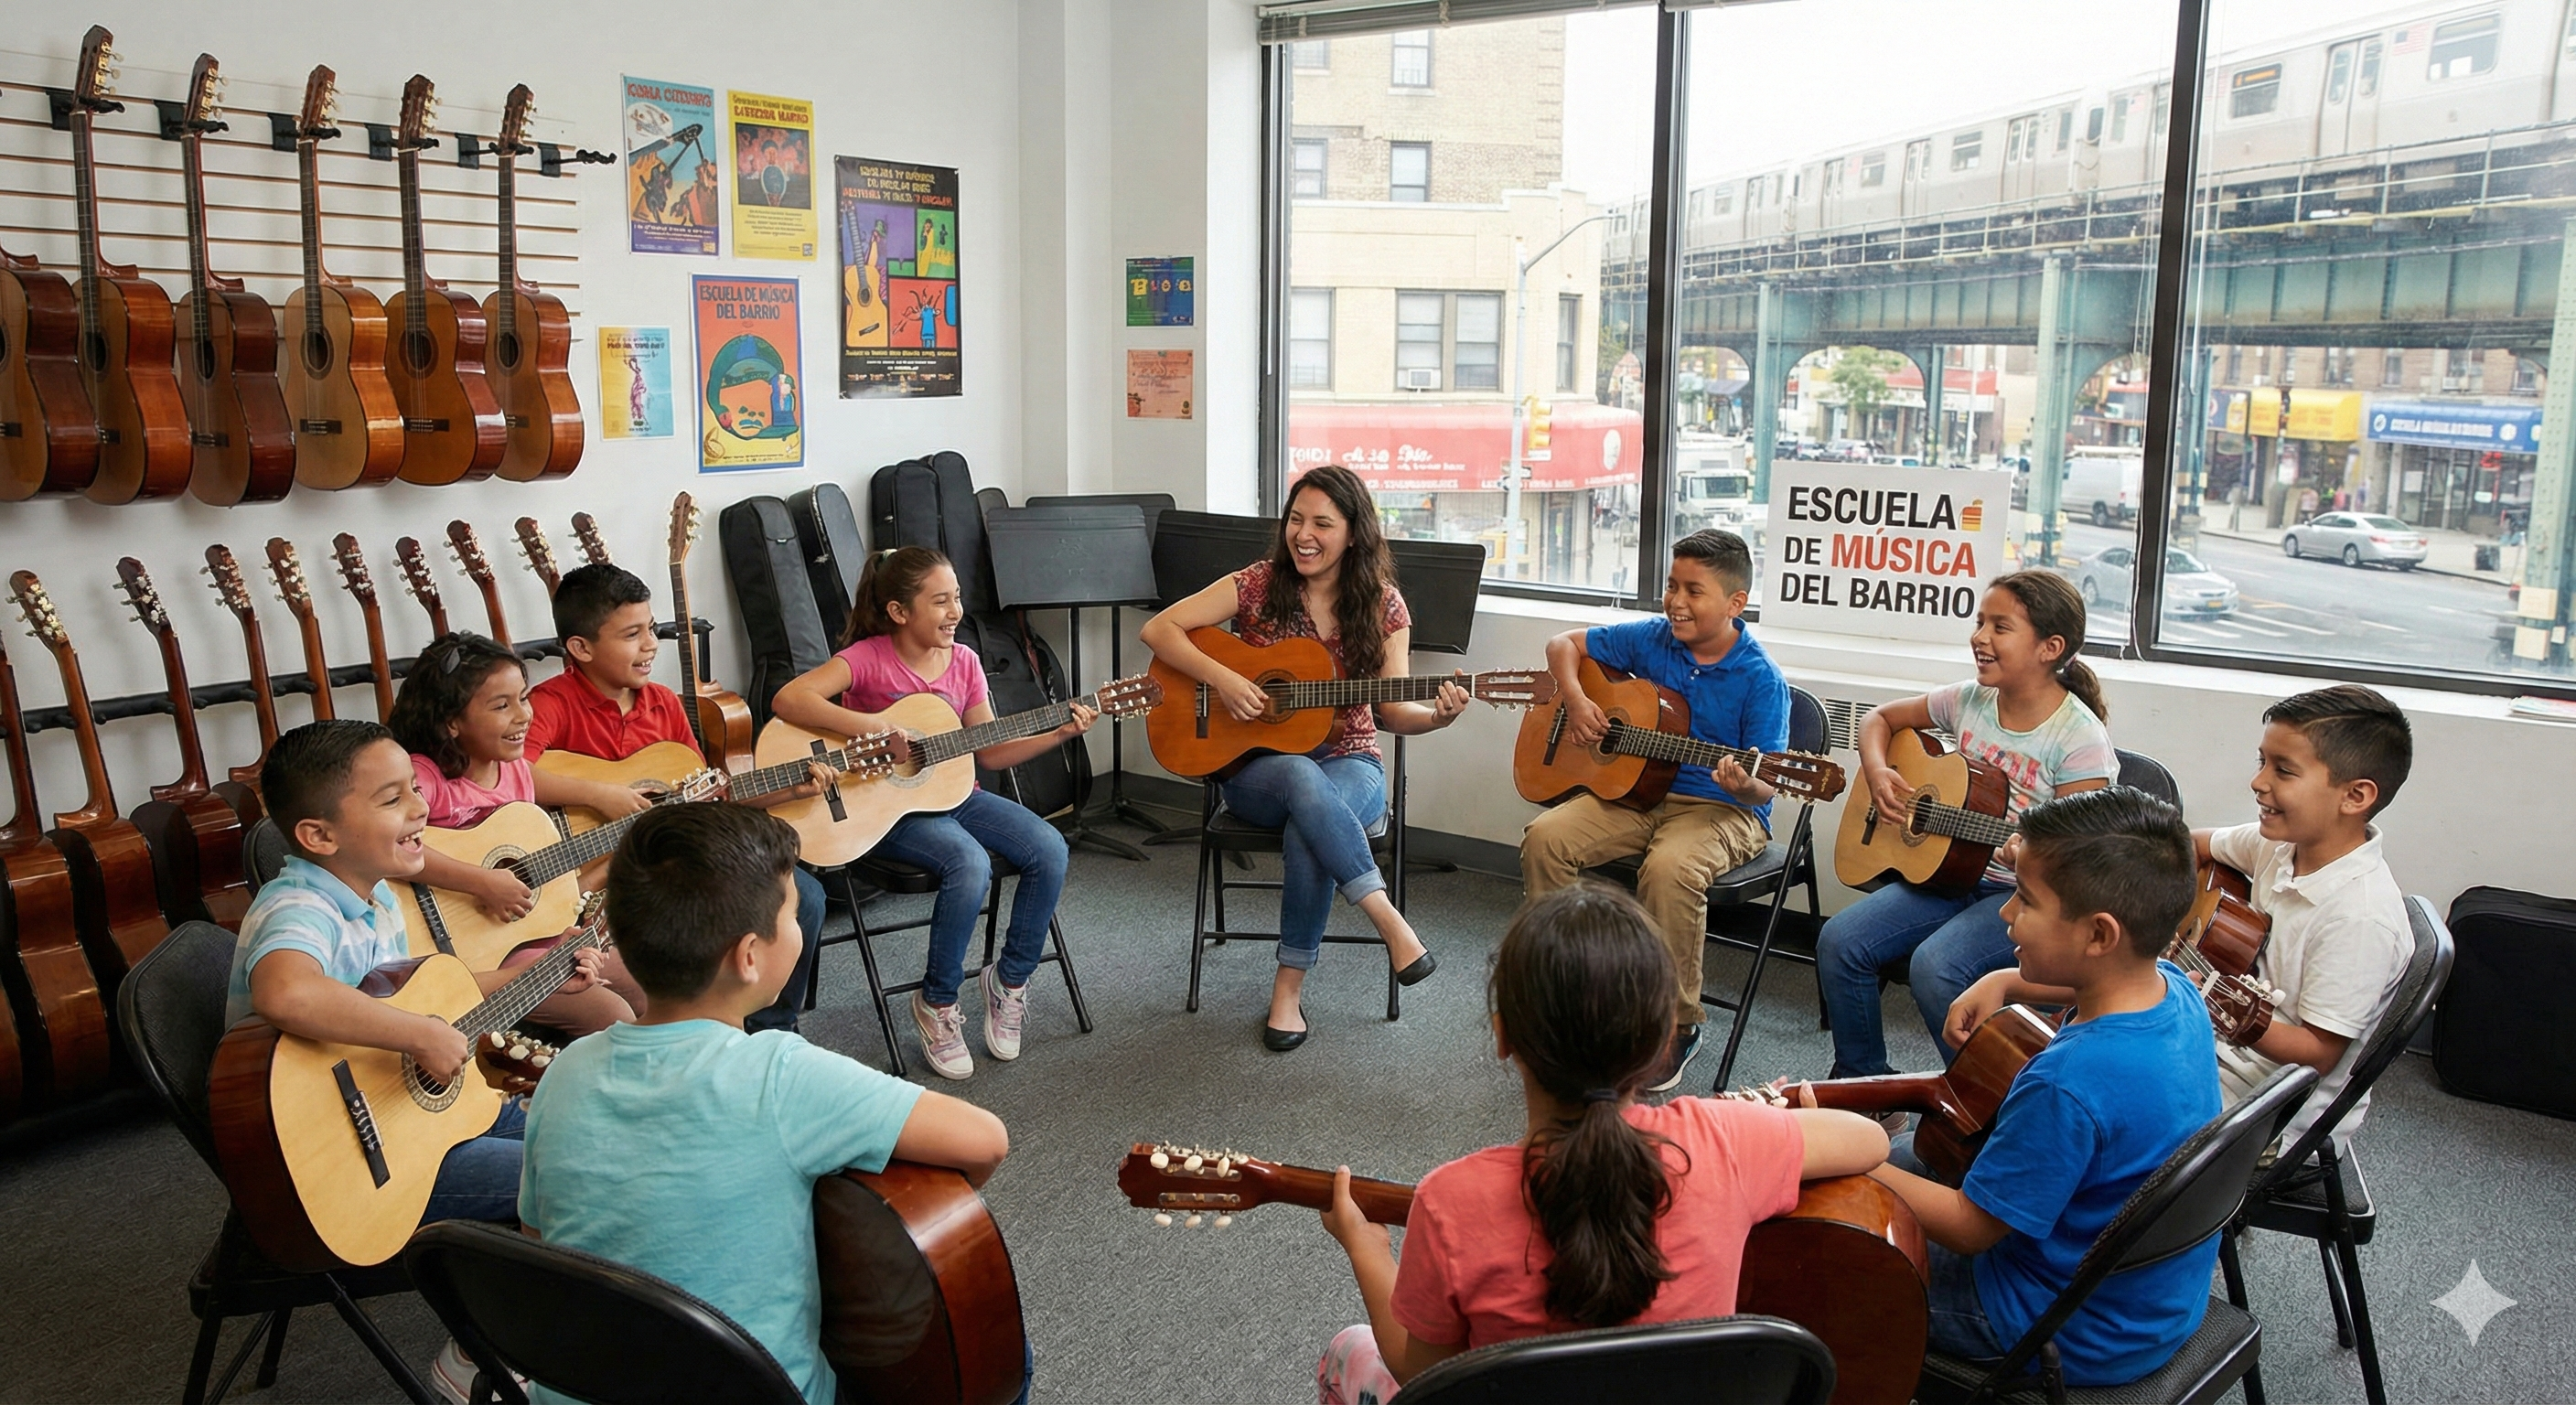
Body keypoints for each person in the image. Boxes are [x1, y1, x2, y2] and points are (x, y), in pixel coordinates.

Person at [1314, 885, 1889, 1403]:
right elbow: (1868, 1141)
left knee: (1348, 1350)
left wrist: (1365, 1247)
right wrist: (1741, 1117)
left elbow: (1423, 1375)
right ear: (1665, 1041)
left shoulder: (1450, 1202)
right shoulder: (1722, 1141)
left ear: (1503, 1037)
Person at [519, 802, 1014, 1405]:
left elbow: (542, 1241)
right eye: (792, 911)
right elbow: (985, 1141)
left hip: (578, 1388)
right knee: (991, 1356)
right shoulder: (780, 1073)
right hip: (760, 1391)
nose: (800, 925)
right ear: (749, 956)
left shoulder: (564, 1073)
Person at [224, 719, 604, 1402]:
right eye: (392, 798)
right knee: (574, 1170)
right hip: (353, 1164)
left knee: (588, 1121)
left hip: (412, 1120)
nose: (421, 808)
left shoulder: (375, 897)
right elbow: (285, 989)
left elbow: (436, 996)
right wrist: (416, 1038)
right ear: (319, 837)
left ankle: (551, 1313)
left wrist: (543, 968)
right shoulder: (301, 905)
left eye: (413, 791)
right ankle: (478, 1352)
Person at [1876, 788, 2219, 1388]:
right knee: (1910, 1159)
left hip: (2052, 1326)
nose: (2006, 913)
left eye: (2025, 900)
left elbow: (1969, 1227)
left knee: (1819, 1256)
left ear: (2099, 934)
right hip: (2149, 1305)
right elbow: (2124, 978)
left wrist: (1846, 1157)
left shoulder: (2071, 1081)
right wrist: (2010, 979)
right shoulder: (2176, 988)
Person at [1139, 465, 1467, 1050]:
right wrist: (1228, 682)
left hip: (1352, 762)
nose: (1304, 535)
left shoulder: (1384, 608)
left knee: (1312, 816)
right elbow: (1162, 631)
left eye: (1322, 523)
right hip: (1256, 770)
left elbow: (1392, 715)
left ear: (1353, 533)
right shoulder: (1259, 583)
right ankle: (1389, 920)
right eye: (1296, 520)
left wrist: (1436, 717)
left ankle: (1286, 991)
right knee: (1298, 774)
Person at [769, 547, 1094, 1079]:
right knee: (969, 864)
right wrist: (874, 731)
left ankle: (1008, 981)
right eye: (940, 601)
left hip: (956, 796)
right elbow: (790, 698)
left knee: (1049, 848)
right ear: (900, 612)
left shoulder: (964, 661)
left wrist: (1057, 732)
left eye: (958, 598)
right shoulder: (867, 658)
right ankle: (937, 1002)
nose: (955, 611)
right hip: (884, 810)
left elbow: (986, 751)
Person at [1815, 572, 2116, 1085]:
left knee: (1936, 968)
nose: (1980, 637)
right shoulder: (1969, 700)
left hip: (2023, 897)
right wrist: (1878, 770)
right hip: (1949, 875)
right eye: (1980, 623)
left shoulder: (2079, 738)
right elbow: (1879, 720)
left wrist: (2029, 854)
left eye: (2000, 627)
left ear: (2051, 647)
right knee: (1840, 941)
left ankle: (1982, 1100)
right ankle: (1863, 1082)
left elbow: (2079, 854)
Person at [1520, 529, 1787, 1092]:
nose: (1676, 601)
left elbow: (1768, 791)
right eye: (1672, 586)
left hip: (1721, 810)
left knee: (1669, 870)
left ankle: (1676, 1021)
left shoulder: (1762, 681)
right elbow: (1561, 645)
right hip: (1637, 792)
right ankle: (1561, 993)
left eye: (1695, 590)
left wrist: (1747, 784)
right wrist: (1576, 697)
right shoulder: (1652, 638)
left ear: (1736, 603)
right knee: (1546, 838)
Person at [524, 563, 833, 1034]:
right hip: (592, 878)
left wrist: (787, 790)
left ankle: (769, 1032)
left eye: (651, 629)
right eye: (631, 634)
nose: (650, 644)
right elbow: (512, 775)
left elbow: (700, 798)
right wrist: (599, 794)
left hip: (672, 863)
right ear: (581, 648)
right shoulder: (550, 704)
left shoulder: (663, 703)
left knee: (803, 897)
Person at [389, 632, 649, 1035]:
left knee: (652, 982)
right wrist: (481, 881)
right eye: (501, 706)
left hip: (533, 939)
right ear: (452, 722)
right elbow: (388, 846)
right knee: (610, 1015)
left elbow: (547, 892)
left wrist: (608, 812)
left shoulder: (513, 770)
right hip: (472, 960)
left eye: (523, 698)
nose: (523, 714)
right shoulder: (423, 777)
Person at [2199, 686, 2412, 1155]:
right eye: (2261, 762)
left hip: (2270, 1113)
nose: (2258, 782)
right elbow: (2193, 844)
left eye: (2283, 770)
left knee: (2099, 1098)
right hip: (2218, 1053)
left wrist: (2212, 1000)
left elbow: (2318, 1052)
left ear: (2354, 796)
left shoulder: (2360, 918)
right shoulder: (2279, 845)